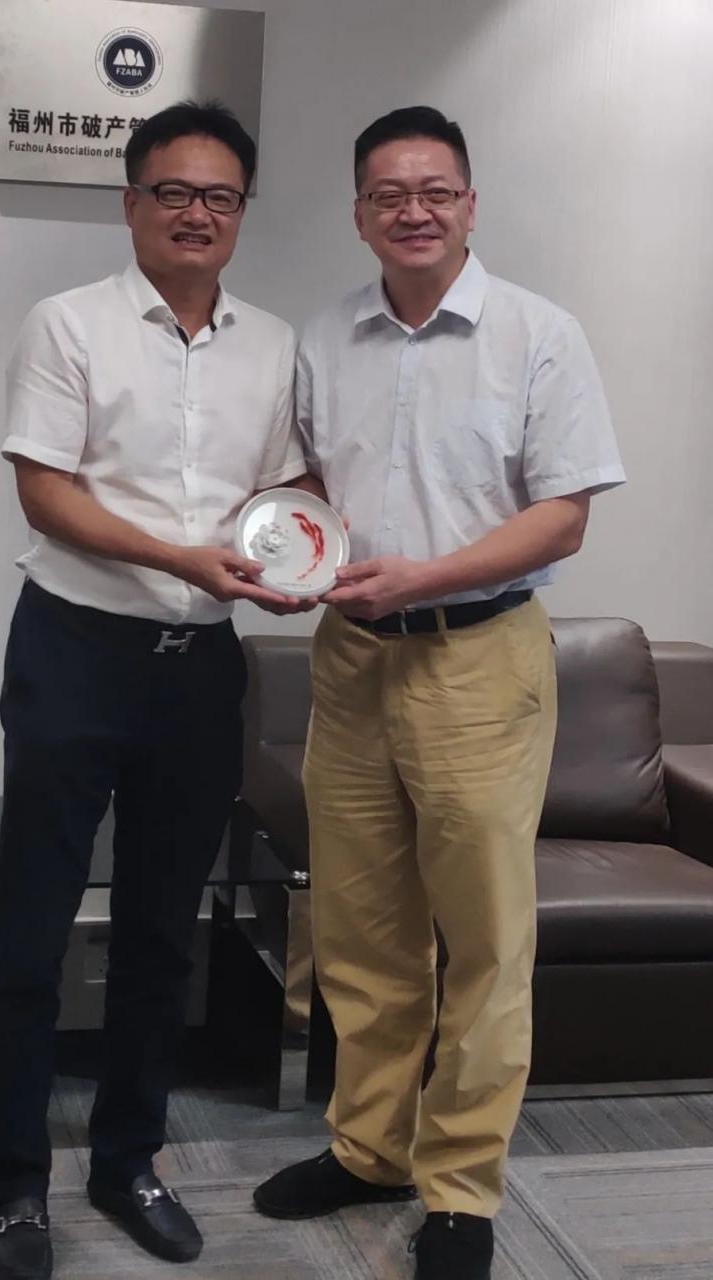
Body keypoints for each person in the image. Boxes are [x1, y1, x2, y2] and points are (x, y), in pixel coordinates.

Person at [253, 106, 626, 1280]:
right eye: (389, 194)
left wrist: (425, 573)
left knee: (482, 938)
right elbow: (309, 483)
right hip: (351, 657)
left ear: (470, 204)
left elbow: (561, 515)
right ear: (360, 212)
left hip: (479, 657)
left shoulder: (539, 335)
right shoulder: (326, 337)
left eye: (435, 191)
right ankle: (370, 1146)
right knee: (361, 927)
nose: (413, 210)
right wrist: (292, 554)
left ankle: (461, 1185)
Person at [0, 100, 312, 1280]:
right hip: (74, 650)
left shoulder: (275, 345)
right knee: (33, 926)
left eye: (220, 196)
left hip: (202, 667)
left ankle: (127, 1159)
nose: (196, 213)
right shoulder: (67, 324)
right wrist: (184, 555)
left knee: (167, 931)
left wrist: (293, 556)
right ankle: (18, 1182)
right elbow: (46, 492)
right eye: (173, 191)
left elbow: (285, 492)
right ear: (131, 203)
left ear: (241, 213)